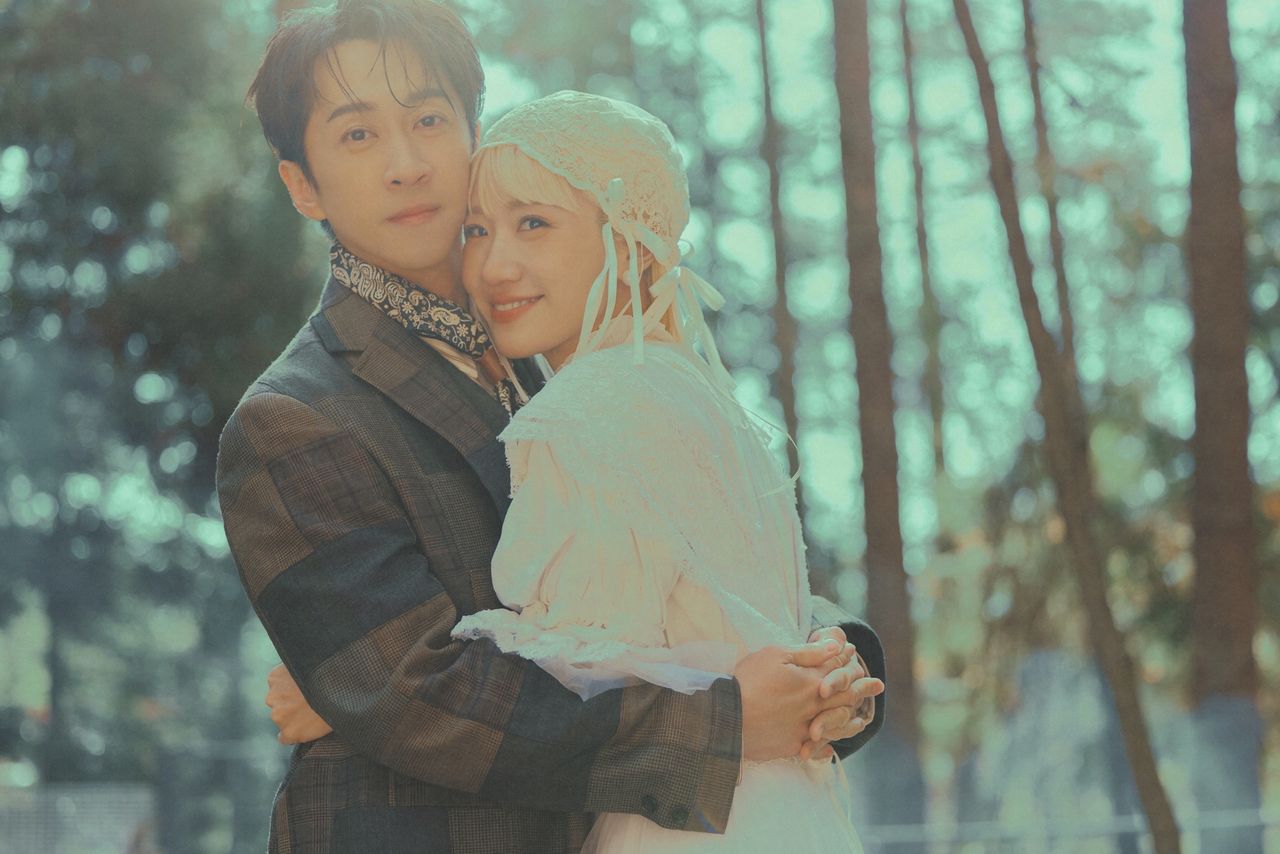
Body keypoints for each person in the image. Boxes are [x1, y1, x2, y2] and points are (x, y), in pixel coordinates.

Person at [218, 1, 886, 851]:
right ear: (302, 184)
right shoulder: (293, 418)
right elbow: (416, 697)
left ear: (474, 132)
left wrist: (831, 666)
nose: (405, 165)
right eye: (357, 135)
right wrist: (723, 722)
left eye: (428, 120)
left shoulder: (567, 346)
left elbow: (690, 557)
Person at [445, 89, 875, 851]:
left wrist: (349, 708)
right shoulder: (700, 395)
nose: (493, 264)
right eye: (477, 230)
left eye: (533, 222)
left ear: (630, 242)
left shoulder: (580, 411)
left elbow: (561, 679)